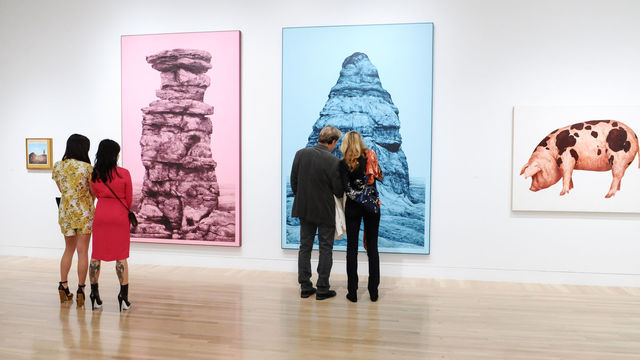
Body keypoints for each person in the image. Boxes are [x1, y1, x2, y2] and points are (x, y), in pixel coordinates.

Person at [290, 126, 344, 300]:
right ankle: (322, 288)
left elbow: (294, 182)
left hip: (304, 209)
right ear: (333, 141)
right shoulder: (334, 161)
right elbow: (338, 191)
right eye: (336, 142)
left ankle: (305, 287)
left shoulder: (300, 154)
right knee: (325, 248)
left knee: (304, 248)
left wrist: (304, 198)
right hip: (325, 210)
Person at [88, 139, 133, 312]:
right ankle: (123, 297)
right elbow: (129, 199)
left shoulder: (95, 174)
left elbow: (95, 193)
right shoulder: (124, 173)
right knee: (120, 255)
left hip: (101, 214)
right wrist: (124, 211)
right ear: (114, 155)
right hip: (119, 215)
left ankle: (94, 295)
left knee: (96, 254)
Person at [339, 131, 383, 302]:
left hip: (353, 208)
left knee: (352, 249)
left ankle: (353, 292)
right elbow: (380, 176)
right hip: (372, 207)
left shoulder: (343, 164)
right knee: (373, 248)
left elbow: (346, 189)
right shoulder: (370, 156)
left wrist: (358, 197)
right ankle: (374, 292)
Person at [52, 134, 95, 306]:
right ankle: (81, 289)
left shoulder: (58, 167)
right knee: (82, 251)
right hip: (84, 213)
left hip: (66, 212)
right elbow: (93, 192)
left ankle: (63, 286)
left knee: (68, 249)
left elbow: (62, 190)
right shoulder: (87, 168)